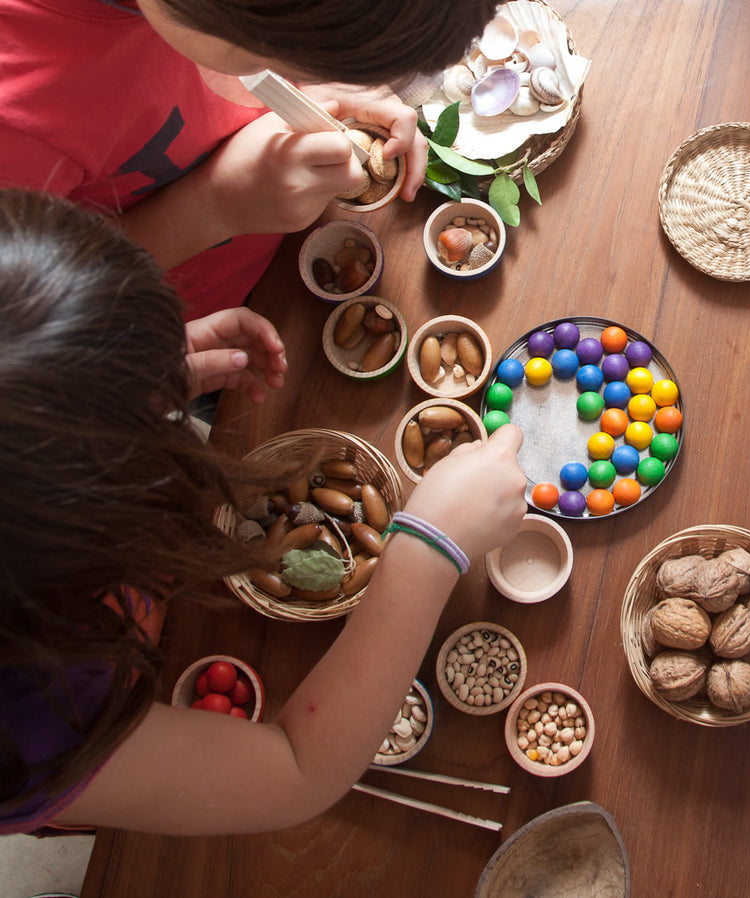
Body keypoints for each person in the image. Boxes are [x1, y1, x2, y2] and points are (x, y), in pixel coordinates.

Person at [0, 188, 527, 835]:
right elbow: (296, 771)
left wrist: (126, 374)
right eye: (149, 429)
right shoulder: (30, 722)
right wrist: (429, 545)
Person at [0, 0, 500, 319]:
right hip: (183, 323)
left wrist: (325, 85)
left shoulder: (222, 22)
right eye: (277, 62)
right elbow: (25, 320)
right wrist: (211, 206)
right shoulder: (20, 109)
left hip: (286, 259)